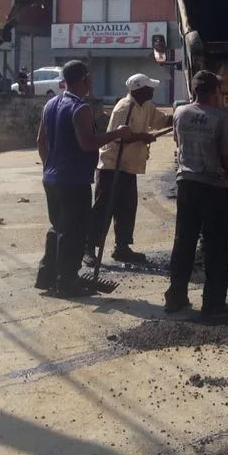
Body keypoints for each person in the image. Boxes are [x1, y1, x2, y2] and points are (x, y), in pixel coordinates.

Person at [35, 59, 134, 297]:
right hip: (74, 180)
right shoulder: (80, 108)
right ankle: (67, 281)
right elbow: (87, 143)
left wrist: (49, 165)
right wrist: (116, 134)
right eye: (90, 77)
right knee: (74, 231)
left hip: (52, 178)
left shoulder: (51, 104)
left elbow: (41, 141)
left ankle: (47, 275)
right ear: (84, 79)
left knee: (57, 227)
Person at [165, 69, 228, 318]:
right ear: (214, 92)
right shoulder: (220, 118)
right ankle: (213, 302)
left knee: (184, 241)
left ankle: (175, 297)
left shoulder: (180, 113)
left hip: (186, 183)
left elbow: (178, 142)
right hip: (213, 186)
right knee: (216, 245)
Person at [86, 74, 169, 266]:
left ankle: (122, 247)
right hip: (112, 165)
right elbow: (118, 137)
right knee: (103, 209)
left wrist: (181, 116)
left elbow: (161, 121)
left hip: (129, 166)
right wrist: (143, 137)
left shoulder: (146, 106)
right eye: (149, 88)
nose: (153, 90)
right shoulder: (124, 107)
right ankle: (88, 247)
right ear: (139, 90)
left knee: (127, 208)